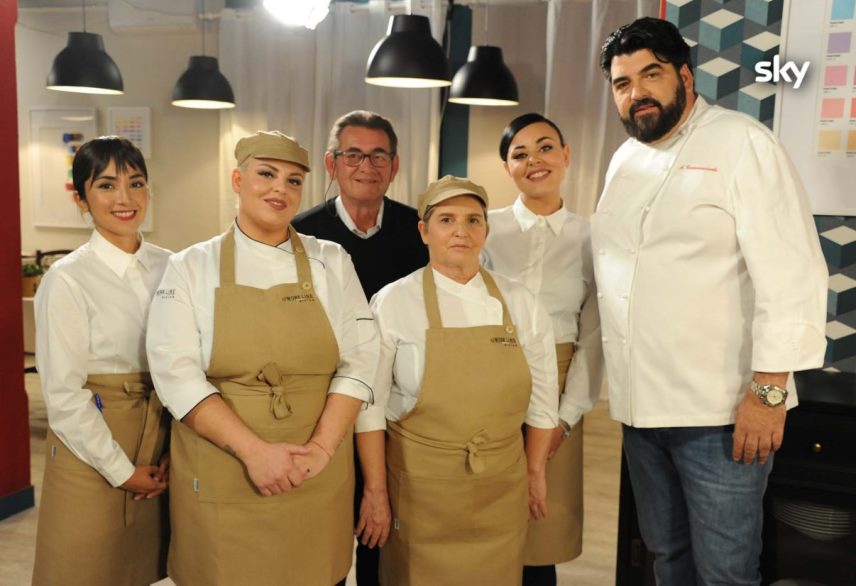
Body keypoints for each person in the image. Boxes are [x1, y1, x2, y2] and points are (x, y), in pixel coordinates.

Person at [595, 17, 828, 585]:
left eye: (651, 75)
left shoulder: (743, 144)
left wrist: (768, 395)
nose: (637, 93)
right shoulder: (624, 162)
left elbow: (792, 273)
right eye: (623, 83)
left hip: (721, 415)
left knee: (725, 573)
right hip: (641, 410)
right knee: (667, 558)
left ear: (685, 76)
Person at [145, 131, 379, 586]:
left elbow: (361, 359)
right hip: (225, 471)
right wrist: (254, 453)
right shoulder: (191, 266)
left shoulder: (332, 260)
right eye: (266, 174)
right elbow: (176, 375)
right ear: (237, 180)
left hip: (315, 473)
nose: (280, 189)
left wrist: (321, 449)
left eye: (293, 181)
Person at [370, 176, 560, 585]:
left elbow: (544, 404)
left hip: (499, 488)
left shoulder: (521, 303)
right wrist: (375, 491)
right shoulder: (394, 302)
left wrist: (535, 473)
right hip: (421, 489)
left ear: (486, 231)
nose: (461, 231)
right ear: (424, 231)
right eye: (447, 220)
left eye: (473, 220)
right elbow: (369, 409)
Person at [292, 110, 428, 586]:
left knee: (384, 533)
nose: (366, 166)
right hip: (324, 404)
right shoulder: (300, 234)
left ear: (395, 166)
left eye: (378, 156)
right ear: (331, 164)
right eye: (353, 155)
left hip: (399, 407)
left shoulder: (420, 230)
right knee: (322, 538)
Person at [32, 136, 171, 586]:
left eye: (136, 183)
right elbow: (64, 396)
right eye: (107, 185)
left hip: (159, 445)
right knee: (82, 569)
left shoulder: (173, 267)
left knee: (148, 571)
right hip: (91, 451)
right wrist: (122, 471)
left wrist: (174, 451)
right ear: (81, 199)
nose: (125, 198)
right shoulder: (66, 279)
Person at [483, 113, 603, 586]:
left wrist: (565, 417)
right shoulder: (483, 227)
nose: (535, 160)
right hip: (488, 378)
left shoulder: (591, 237)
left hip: (559, 384)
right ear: (506, 168)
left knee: (540, 526)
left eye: (546, 147)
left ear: (566, 155)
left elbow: (593, 337)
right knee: (483, 515)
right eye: (520, 154)